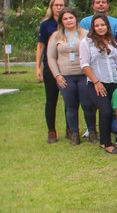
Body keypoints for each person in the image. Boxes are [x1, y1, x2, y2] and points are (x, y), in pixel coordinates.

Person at [80, 14, 117, 154]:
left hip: (113, 82)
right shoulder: (87, 42)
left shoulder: (112, 41)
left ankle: (108, 138)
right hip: (97, 83)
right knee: (105, 111)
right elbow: (84, 65)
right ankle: (106, 143)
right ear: (93, 28)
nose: (100, 28)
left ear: (107, 26)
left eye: (102, 25)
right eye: (97, 25)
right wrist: (96, 82)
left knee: (111, 111)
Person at [47, 8, 89, 146]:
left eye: (71, 18)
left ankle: (92, 131)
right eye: (65, 19)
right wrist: (57, 76)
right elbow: (51, 57)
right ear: (61, 21)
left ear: (76, 18)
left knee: (87, 105)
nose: (69, 21)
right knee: (71, 106)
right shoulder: (56, 36)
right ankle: (74, 133)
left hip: (83, 75)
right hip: (65, 76)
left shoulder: (86, 34)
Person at [36, 0, 65, 143]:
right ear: (52, 7)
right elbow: (40, 46)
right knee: (51, 99)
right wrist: (38, 67)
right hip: (50, 66)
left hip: (67, 67)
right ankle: (51, 131)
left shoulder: (68, 23)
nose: (59, 7)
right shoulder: (46, 25)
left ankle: (71, 129)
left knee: (70, 100)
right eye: (56, 5)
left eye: (61, 5)